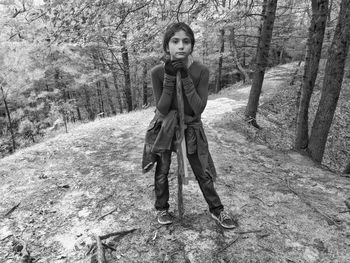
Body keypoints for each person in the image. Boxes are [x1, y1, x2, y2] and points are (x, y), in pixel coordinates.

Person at [142, 22, 236, 229]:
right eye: (175, 41)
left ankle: (217, 209)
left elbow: (197, 108)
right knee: (163, 169)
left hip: (191, 126)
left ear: (192, 46)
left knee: (201, 169)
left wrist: (185, 78)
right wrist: (169, 78)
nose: (181, 46)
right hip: (165, 127)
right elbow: (163, 108)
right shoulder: (158, 72)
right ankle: (162, 207)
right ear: (167, 46)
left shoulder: (201, 71)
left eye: (186, 41)